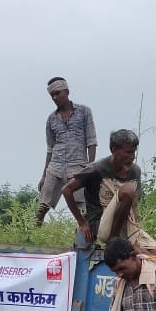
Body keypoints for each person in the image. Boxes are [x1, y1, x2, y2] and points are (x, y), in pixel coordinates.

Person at [61, 129, 156, 251]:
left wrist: (136, 230)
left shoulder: (135, 171)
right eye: (128, 152)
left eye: (134, 152)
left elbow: (134, 205)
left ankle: (123, 242)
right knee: (127, 190)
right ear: (114, 150)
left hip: (126, 225)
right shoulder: (96, 169)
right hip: (101, 225)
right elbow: (67, 190)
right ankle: (113, 242)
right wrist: (82, 222)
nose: (133, 156)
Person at [36, 77, 96, 226]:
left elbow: (91, 141)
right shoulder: (51, 119)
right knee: (41, 206)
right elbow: (50, 149)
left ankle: (82, 237)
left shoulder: (84, 112)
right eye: (52, 95)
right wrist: (44, 175)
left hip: (78, 167)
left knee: (82, 209)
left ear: (67, 92)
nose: (55, 97)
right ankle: (31, 235)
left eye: (58, 93)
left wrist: (90, 169)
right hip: (55, 167)